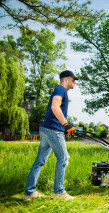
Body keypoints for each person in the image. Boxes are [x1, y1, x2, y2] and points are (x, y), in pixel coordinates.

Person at [24, 70, 79, 201]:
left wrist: (64, 128)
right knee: (63, 159)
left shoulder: (59, 90)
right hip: (53, 130)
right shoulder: (61, 90)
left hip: (46, 128)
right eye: (73, 79)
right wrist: (66, 124)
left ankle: (29, 193)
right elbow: (55, 107)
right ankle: (59, 192)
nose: (75, 82)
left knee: (40, 161)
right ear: (66, 79)